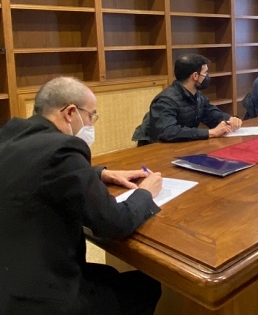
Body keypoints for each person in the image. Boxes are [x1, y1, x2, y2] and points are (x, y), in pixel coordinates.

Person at [0, 77, 163, 315]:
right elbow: (114, 223)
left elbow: (36, 172)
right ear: (70, 112)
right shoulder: (62, 150)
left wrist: (99, 173)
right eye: (91, 116)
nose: (91, 124)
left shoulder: (10, 137)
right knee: (145, 286)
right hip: (42, 298)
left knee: (108, 275)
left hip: (10, 277)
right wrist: (146, 193)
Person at [132, 54, 242, 145]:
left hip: (182, 145)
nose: (208, 77)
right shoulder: (166, 100)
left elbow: (212, 114)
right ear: (195, 76)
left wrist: (230, 120)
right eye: (205, 73)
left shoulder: (198, 96)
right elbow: (168, 132)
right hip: (155, 150)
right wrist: (210, 133)